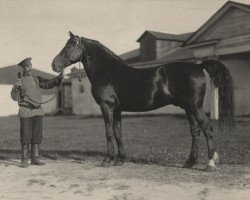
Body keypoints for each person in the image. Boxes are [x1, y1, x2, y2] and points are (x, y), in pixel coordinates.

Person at [11, 57, 63, 168]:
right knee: (25, 136)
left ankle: (35, 159)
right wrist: (16, 88)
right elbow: (14, 97)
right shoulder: (18, 81)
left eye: (30, 66)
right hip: (26, 111)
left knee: (37, 136)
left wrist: (58, 79)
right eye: (26, 66)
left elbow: (48, 84)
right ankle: (24, 160)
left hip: (38, 111)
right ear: (22, 68)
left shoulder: (36, 78)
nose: (29, 68)